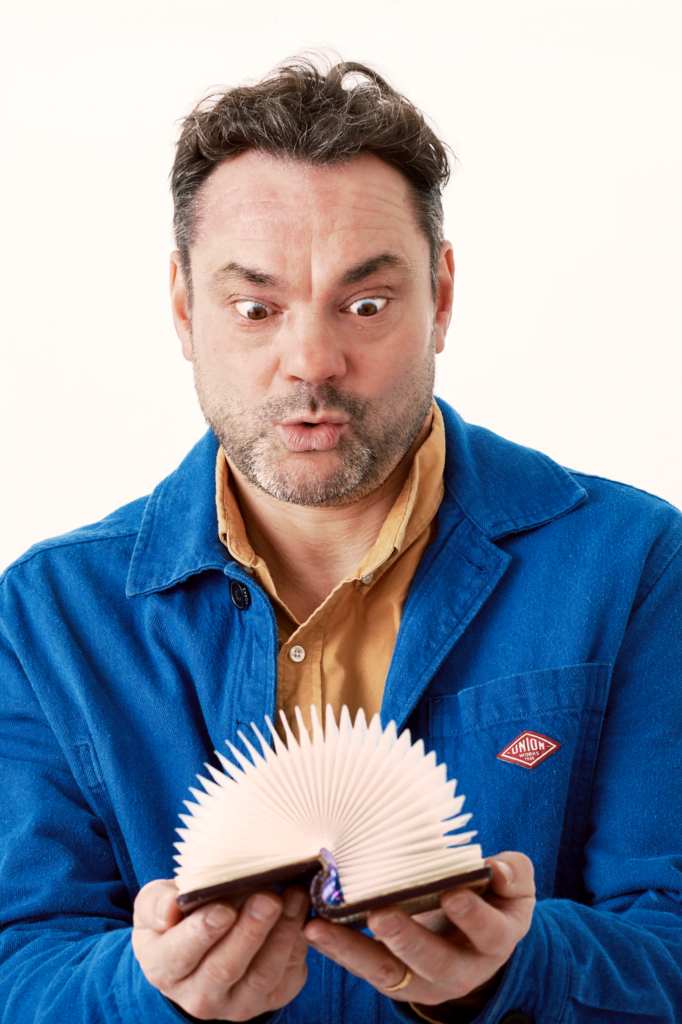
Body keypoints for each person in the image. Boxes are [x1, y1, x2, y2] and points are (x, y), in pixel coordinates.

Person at [0, 56, 680, 1024]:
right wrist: (148, 993)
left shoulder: (632, 562)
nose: (311, 360)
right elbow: (16, 959)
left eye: (365, 304)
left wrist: (512, 969)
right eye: (255, 307)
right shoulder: (47, 614)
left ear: (440, 296)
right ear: (185, 309)